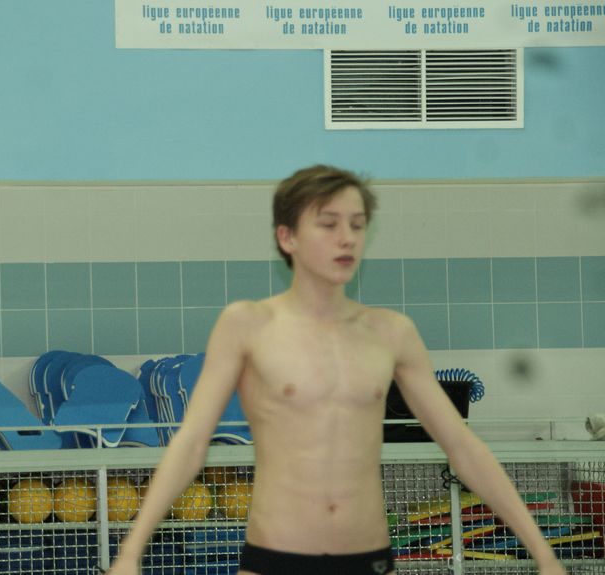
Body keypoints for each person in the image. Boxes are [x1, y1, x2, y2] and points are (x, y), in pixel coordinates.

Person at [108, 165, 566, 575]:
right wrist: (130, 554)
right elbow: (190, 444)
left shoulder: (391, 333)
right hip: (275, 557)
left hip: (366, 557)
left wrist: (544, 556)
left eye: (357, 224)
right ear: (287, 237)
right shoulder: (247, 326)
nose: (347, 237)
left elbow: (462, 447)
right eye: (328, 224)